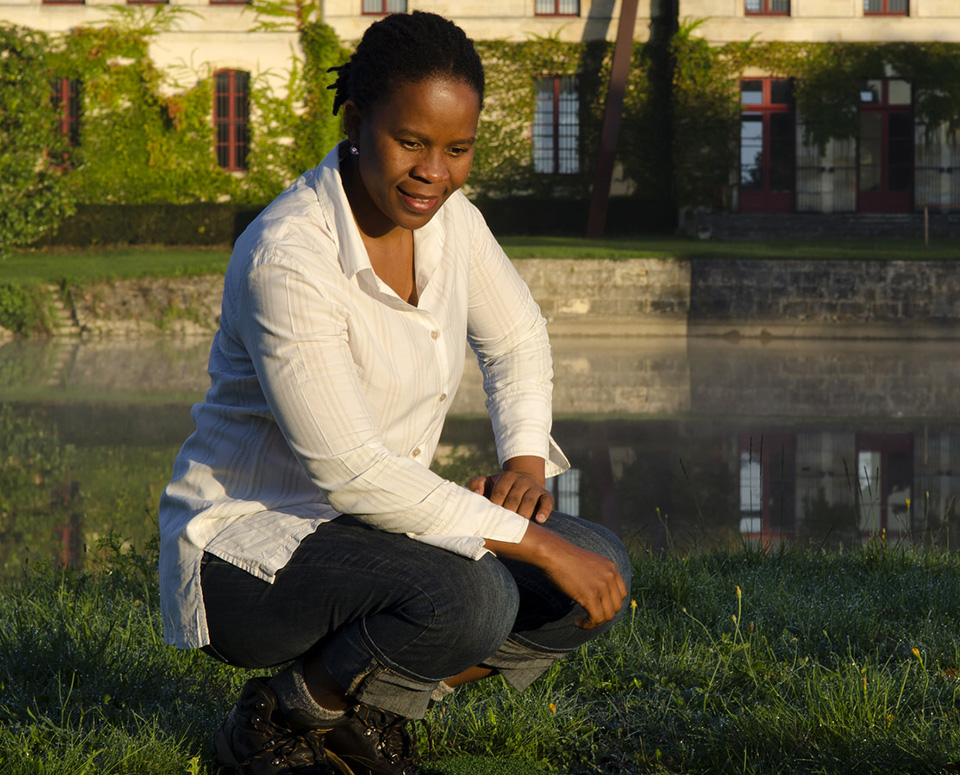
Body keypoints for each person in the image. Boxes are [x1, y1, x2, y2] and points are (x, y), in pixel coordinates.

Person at [157, 11, 631, 775]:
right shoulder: (289, 255)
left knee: (596, 560)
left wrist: (526, 468)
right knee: (474, 594)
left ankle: (357, 717)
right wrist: (531, 541)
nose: (433, 172)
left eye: (456, 149)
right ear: (356, 120)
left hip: (373, 532)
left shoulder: (453, 225)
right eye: (410, 141)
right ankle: (276, 715)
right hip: (251, 553)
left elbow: (515, 338)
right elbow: (354, 472)